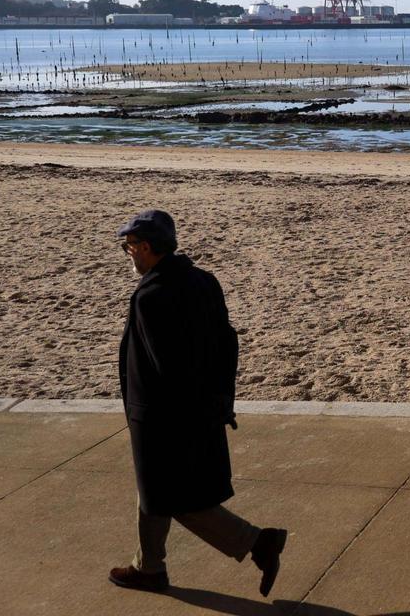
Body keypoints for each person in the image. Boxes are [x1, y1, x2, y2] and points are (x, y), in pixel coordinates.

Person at [107, 209, 287, 597]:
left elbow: (167, 368)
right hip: (204, 407)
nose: (129, 255)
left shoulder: (152, 296)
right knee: (152, 490)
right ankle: (148, 566)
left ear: (145, 247)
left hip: (165, 418)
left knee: (174, 498)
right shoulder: (204, 281)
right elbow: (227, 343)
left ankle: (258, 542)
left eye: (129, 247)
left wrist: (173, 417)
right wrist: (221, 400)